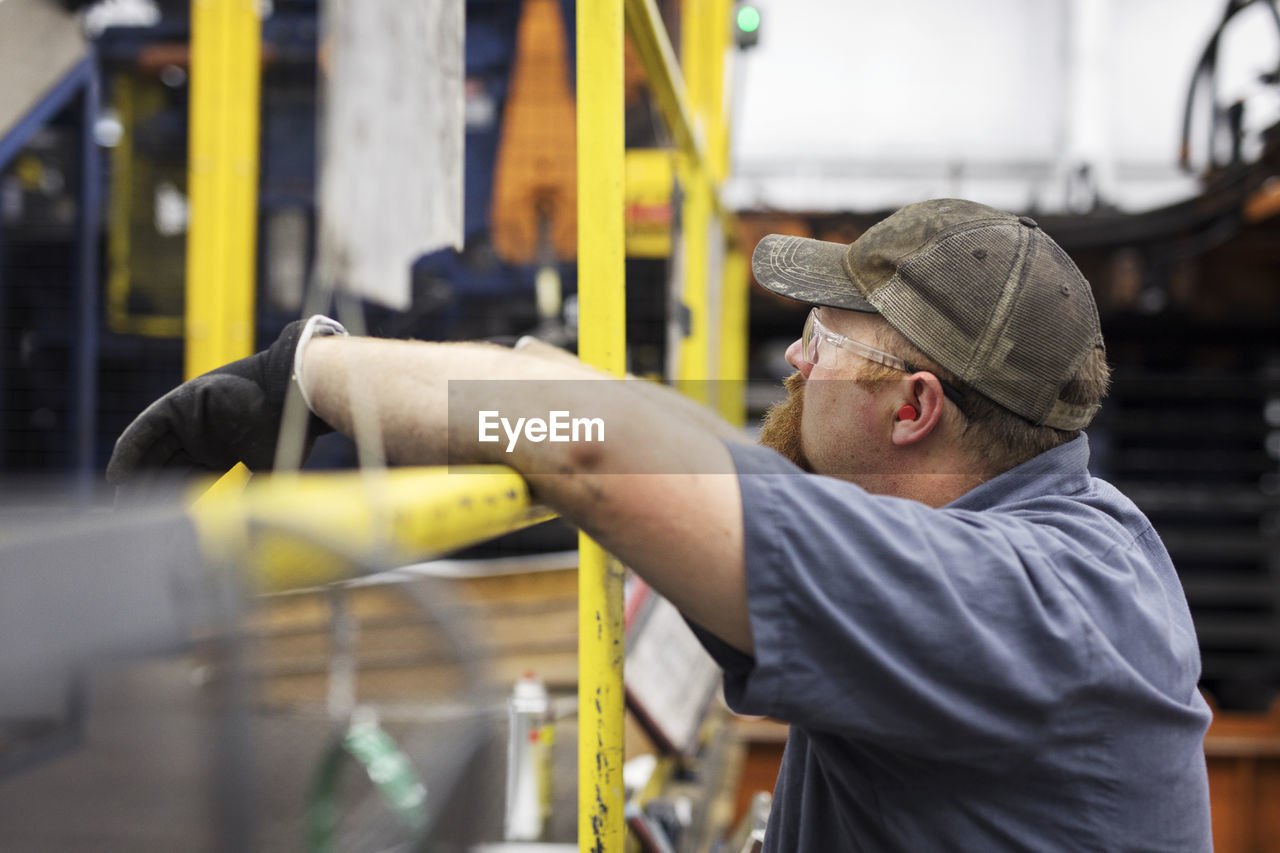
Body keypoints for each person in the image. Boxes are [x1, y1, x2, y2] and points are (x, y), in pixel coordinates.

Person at [108, 199, 1213, 850]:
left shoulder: (1005, 606)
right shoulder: (1083, 538)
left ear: (912, 406)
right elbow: (647, 437)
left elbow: (587, 445)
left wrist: (312, 377)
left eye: (820, 343)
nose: (791, 361)